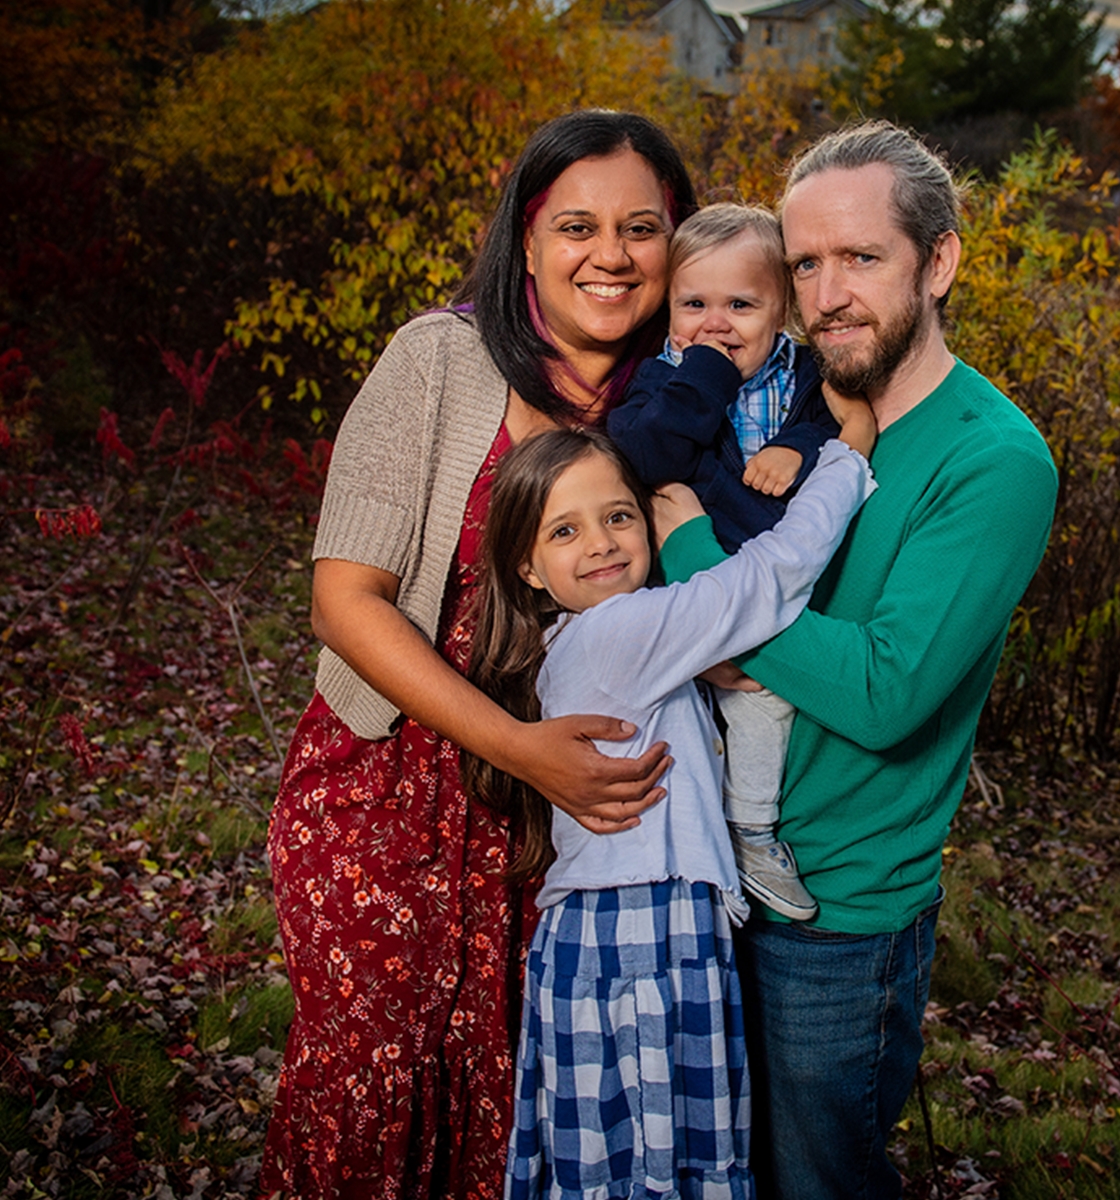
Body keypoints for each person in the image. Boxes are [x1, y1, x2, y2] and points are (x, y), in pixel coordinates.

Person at [260, 110, 698, 1200]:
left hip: (557, 828)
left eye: (642, 228)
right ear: (528, 239)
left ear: (678, 243)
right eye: (577, 227)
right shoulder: (440, 360)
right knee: (367, 1098)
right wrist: (516, 745)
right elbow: (343, 598)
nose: (611, 255)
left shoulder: (682, 405)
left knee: (509, 1117)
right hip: (387, 799)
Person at [657, 121, 1060, 1199]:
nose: (829, 293)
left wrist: (696, 566)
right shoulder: (781, 409)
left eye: (863, 258)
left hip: (835, 920)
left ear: (939, 262)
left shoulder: (992, 459)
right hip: (700, 868)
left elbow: (883, 692)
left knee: (816, 1182)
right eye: (806, 263)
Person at [463, 419, 875, 1199]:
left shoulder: (584, 638)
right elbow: (770, 575)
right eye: (564, 530)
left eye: (619, 515)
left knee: (621, 1165)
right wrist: (845, 460)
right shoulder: (619, 632)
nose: (602, 543)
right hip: (640, 932)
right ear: (529, 567)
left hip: (620, 931)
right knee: (662, 1162)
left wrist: (707, 665)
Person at [608, 204, 839, 921]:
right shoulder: (658, 382)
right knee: (683, 731)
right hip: (685, 587)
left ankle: (753, 833)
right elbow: (651, 455)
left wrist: (796, 448)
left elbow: (837, 419)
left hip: (771, 586)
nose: (716, 322)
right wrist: (704, 371)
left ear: (782, 311)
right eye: (695, 304)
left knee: (764, 706)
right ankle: (693, 859)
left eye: (741, 305)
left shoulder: (805, 372)